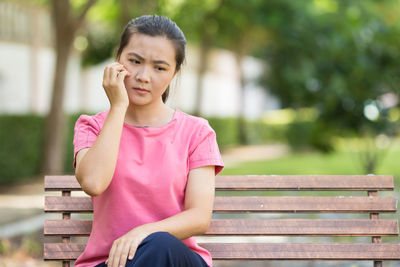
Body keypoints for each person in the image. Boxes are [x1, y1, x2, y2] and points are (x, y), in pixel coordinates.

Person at [72, 15, 224, 267]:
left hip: (175, 259)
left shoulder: (197, 132)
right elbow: (93, 182)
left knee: (159, 245)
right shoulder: (92, 126)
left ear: (174, 73)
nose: (143, 76)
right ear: (118, 59)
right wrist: (119, 107)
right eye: (135, 61)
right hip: (109, 263)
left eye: (160, 67)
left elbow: (199, 217)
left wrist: (142, 233)